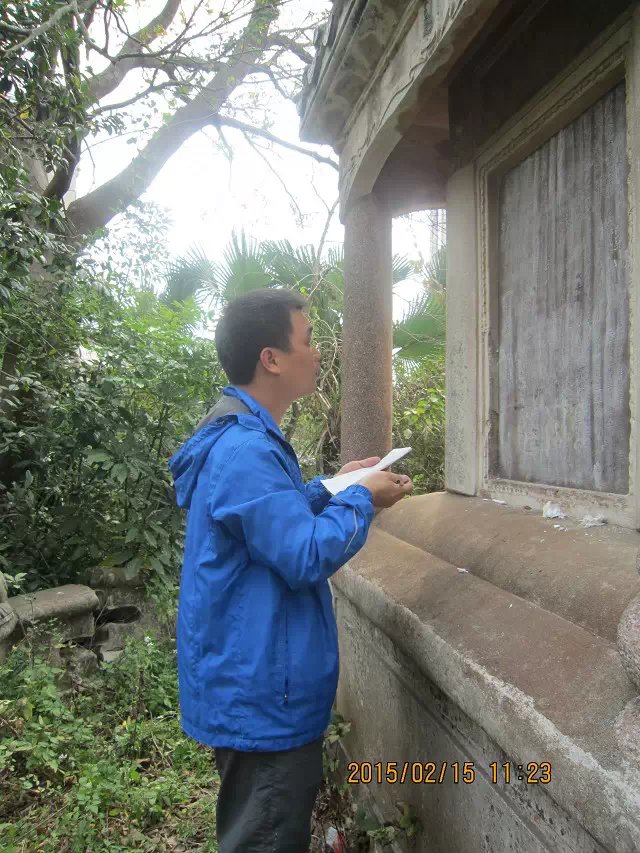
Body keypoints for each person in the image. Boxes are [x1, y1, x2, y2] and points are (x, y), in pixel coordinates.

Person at [169, 288, 412, 853]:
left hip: (254, 685)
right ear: (271, 358)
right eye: (307, 340)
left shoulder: (245, 439)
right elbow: (303, 554)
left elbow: (269, 519)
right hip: (260, 698)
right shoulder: (246, 451)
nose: (318, 351)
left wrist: (336, 485)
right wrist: (363, 499)